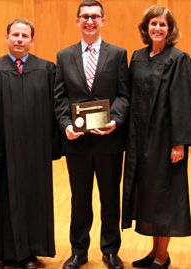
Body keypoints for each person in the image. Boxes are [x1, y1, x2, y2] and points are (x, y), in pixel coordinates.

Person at [121, 5, 191, 269]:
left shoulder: (178, 58)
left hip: (166, 140)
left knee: (165, 198)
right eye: (153, 24)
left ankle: (162, 255)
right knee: (148, 196)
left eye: (163, 24)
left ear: (170, 30)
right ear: (146, 28)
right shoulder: (137, 57)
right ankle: (154, 251)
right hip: (140, 140)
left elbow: (183, 101)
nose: (157, 28)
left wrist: (179, 142)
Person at [54, 0, 130, 268]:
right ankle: (79, 251)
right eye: (84, 16)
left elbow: (123, 95)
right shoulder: (63, 56)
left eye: (95, 16)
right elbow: (60, 97)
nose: (89, 21)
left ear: (103, 21)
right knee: (80, 200)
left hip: (109, 140)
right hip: (77, 143)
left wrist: (116, 120)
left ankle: (110, 250)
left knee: (110, 198)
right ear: (77, 21)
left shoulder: (119, 54)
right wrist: (66, 126)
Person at [0, 19, 61, 269]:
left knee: (33, 200)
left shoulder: (47, 70)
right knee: (0, 200)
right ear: (6, 38)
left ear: (32, 40)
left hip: (35, 151)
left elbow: (55, 111)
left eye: (24, 35)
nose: (19, 39)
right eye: (15, 34)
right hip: (3, 151)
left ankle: (30, 252)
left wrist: (51, 146)